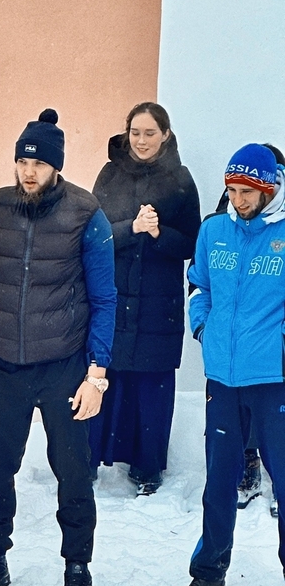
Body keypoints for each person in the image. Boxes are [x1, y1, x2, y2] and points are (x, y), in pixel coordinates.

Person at [0, 110, 116, 586]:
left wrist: (97, 374)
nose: (28, 172)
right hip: (1, 363)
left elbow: (105, 299)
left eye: (39, 164)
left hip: (63, 364)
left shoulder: (86, 214)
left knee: (73, 470)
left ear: (56, 167)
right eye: (22, 162)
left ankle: (77, 567)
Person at [173, 143, 285, 586]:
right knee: (219, 482)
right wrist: (202, 326)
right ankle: (209, 572)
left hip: (274, 380)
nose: (237, 201)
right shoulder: (214, 230)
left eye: (246, 192)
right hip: (221, 378)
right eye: (232, 191)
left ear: (269, 189)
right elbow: (198, 284)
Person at [89, 103, 201, 494]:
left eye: (150, 133)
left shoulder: (181, 180)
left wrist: (158, 235)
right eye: (135, 132)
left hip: (158, 303)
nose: (141, 141)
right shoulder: (110, 174)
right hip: (115, 294)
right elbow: (94, 233)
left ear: (165, 135)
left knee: (152, 387)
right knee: (107, 377)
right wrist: (131, 228)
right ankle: (91, 460)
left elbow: (192, 243)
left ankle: (148, 467)